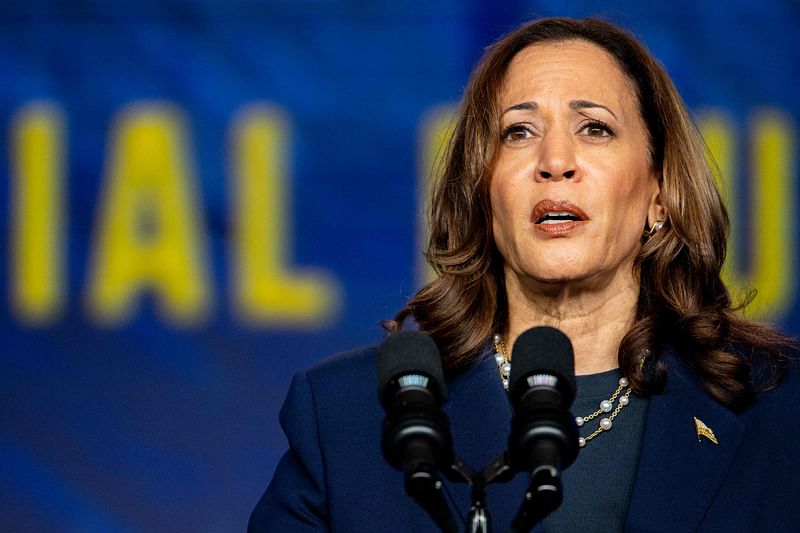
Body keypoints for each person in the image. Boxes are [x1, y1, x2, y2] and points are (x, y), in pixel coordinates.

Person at [249, 17, 799, 532]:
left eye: (594, 128)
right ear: (483, 190)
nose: (554, 159)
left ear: (659, 193)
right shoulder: (347, 415)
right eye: (518, 132)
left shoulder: (779, 406)